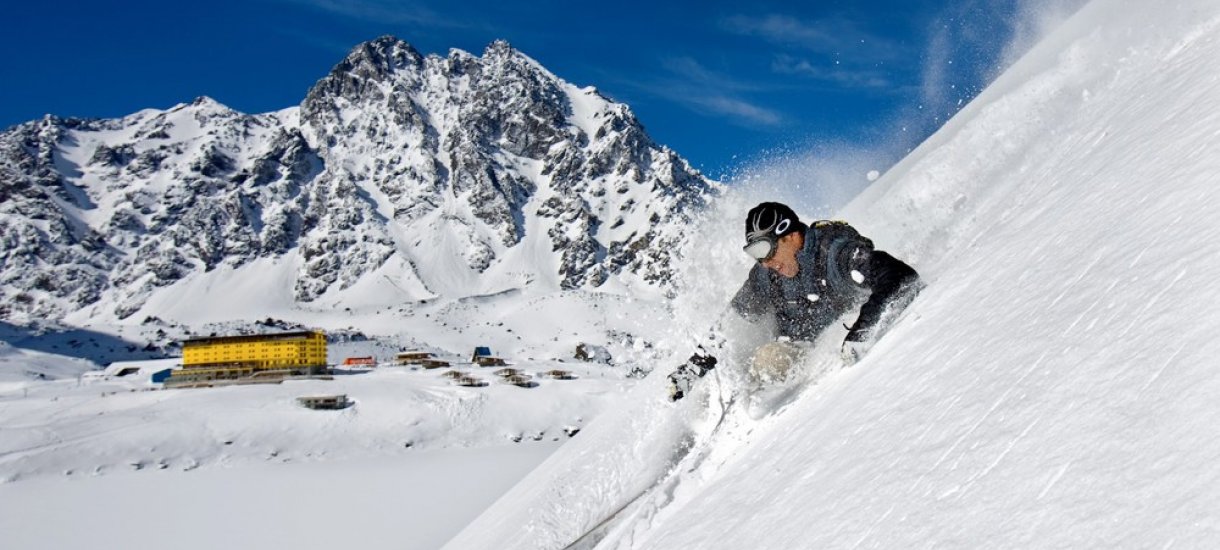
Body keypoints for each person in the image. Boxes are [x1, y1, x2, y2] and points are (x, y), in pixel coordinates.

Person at [667, 201, 922, 401]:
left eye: (765, 250)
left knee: (767, 362)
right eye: (754, 254)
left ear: (790, 236)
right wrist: (692, 370)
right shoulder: (766, 276)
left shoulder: (834, 252)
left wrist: (863, 330)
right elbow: (730, 324)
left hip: (831, 358)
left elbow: (900, 276)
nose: (765, 262)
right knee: (763, 364)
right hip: (793, 349)